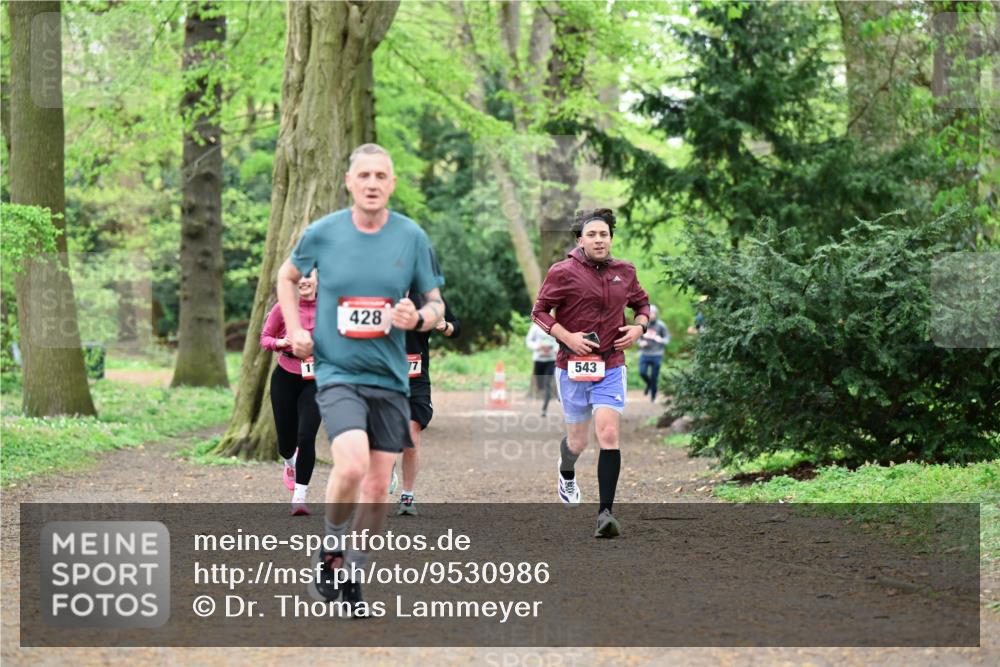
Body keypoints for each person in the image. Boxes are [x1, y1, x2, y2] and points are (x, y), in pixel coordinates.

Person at [277, 143, 443, 613]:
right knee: (349, 466)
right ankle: (329, 550)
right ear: (350, 181)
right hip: (338, 373)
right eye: (364, 175)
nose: (372, 183)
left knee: (375, 488)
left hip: (392, 381)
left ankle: (353, 576)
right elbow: (286, 277)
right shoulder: (323, 233)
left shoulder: (411, 237)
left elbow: (436, 304)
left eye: (381, 176)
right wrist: (294, 329)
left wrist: (420, 317)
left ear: (392, 183)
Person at [531, 208, 651, 539]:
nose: (599, 240)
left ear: (611, 238)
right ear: (580, 240)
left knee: (608, 434)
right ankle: (566, 470)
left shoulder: (625, 272)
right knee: (578, 440)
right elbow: (539, 312)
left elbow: (643, 305)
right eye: (592, 234)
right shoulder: (562, 272)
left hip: (611, 363)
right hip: (571, 366)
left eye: (604, 234)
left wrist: (639, 328)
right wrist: (567, 337)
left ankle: (606, 514)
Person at [397, 277, 461, 516]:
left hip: (416, 375)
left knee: (411, 434)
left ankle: (407, 495)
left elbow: (456, 326)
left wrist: (445, 326)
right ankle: (386, 465)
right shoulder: (377, 288)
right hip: (383, 374)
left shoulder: (426, 294)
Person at [259, 271, 321, 515]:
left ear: (318, 280)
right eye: (300, 277)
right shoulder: (282, 308)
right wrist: (281, 343)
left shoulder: (330, 309)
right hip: (285, 376)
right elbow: (265, 338)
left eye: (309, 276)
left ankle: (300, 496)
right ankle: (289, 462)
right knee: (287, 443)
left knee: (306, 436)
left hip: (316, 380)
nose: (304, 280)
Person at [637, 304, 670, 403]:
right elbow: (637, 337)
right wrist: (640, 342)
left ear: (656, 314)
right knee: (642, 372)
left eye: (653, 313)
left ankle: (653, 397)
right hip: (645, 353)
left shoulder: (661, 325)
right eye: (649, 313)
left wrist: (661, 340)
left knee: (654, 376)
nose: (651, 315)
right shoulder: (643, 325)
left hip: (657, 354)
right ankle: (649, 384)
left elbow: (667, 338)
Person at [525, 322, 558, 416]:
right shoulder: (535, 327)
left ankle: (544, 409)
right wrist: (538, 347)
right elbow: (529, 341)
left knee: (548, 384)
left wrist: (553, 349)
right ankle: (541, 393)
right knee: (540, 386)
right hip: (538, 359)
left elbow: (559, 341)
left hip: (551, 360)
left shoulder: (556, 326)